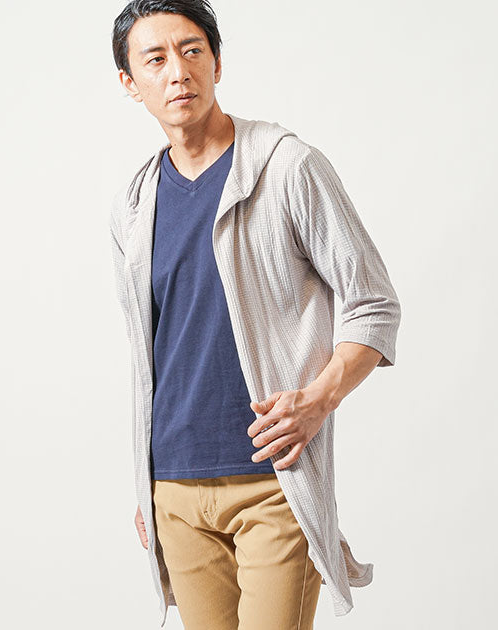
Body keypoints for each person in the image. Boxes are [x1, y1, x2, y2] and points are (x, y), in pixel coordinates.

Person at [110, 1, 401, 628]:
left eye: (192, 50)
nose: (178, 71)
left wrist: (318, 399)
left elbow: (373, 302)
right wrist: (145, 480)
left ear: (217, 63)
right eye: (155, 59)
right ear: (130, 83)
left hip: (273, 479)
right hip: (175, 491)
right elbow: (149, 351)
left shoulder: (287, 166)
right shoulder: (134, 204)